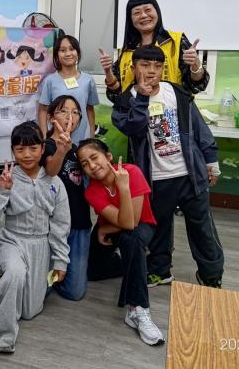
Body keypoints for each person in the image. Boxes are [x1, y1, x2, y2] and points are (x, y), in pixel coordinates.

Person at [111, 45, 224, 288]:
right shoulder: (125, 101)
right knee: (159, 228)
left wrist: (211, 161)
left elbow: (199, 128)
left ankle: (211, 275)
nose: (151, 71)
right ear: (133, 68)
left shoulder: (177, 93)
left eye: (157, 66)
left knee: (202, 228)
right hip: (156, 179)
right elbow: (133, 128)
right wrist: (142, 98)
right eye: (145, 65)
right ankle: (160, 270)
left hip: (189, 174)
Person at [0, 122, 70, 353]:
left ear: (43, 149)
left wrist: (60, 261)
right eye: (20, 149)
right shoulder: (6, 178)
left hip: (41, 245)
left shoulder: (55, 182)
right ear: (12, 151)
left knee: (29, 311)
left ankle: (8, 283)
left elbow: (60, 225)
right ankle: (2, 335)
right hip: (12, 240)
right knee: (15, 274)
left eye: (33, 148)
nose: (27, 155)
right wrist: (2, 190)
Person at [77, 139, 164, 346]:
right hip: (113, 226)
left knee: (131, 239)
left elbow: (132, 222)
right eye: (85, 164)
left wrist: (123, 187)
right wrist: (105, 228)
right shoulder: (91, 191)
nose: (91, 166)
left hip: (141, 225)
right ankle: (135, 266)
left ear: (108, 156)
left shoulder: (131, 172)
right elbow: (122, 220)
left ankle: (137, 309)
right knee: (91, 271)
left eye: (94, 158)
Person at [100, 0, 209, 104]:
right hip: (137, 112)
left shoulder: (176, 41)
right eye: (137, 13)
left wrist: (195, 63)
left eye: (148, 10)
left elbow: (196, 86)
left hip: (173, 112)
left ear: (157, 12)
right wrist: (108, 71)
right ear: (130, 19)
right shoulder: (127, 50)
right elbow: (116, 94)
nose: (143, 15)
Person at [44, 95, 92, 300]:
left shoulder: (79, 150)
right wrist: (61, 151)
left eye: (75, 112)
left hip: (79, 222)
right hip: (51, 225)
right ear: (51, 117)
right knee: (43, 288)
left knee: (75, 292)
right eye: (63, 111)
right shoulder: (44, 145)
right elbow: (51, 171)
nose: (69, 117)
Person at [38, 35, 98, 142]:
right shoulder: (50, 81)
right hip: (57, 141)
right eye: (63, 50)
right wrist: (45, 137)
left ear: (78, 53)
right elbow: (43, 110)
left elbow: (89, 109)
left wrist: (92, 136)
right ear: (57, 55)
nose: (68, 53)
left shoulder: (88, 80)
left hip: (82, 140)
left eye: (72, 49)